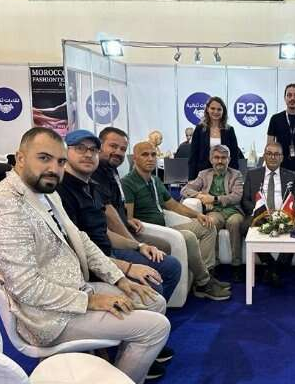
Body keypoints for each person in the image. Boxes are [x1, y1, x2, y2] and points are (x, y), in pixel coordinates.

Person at [0, 128, 170, 384]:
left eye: (60, 161)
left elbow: (81, 239)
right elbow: (26, 287)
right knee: (156, 328)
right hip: (46, 317)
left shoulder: (47, 192)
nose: (54, 168)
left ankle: (114, 376)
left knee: (154, 301)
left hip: (73, 288)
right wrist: (91, 300)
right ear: (20, 158)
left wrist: (119, 278)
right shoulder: (6, 208)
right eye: (44, 158)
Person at [56, 129, 182, 305]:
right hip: (90, 266)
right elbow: (78, 251)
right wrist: (127, 267)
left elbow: (104, 232)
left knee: (172, 267)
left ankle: (154, 313)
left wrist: (139, 246)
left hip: (108, 252)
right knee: (154, 289)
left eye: (93, 150)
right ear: (64, 153)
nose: (88, 154)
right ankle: (150, 313)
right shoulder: (60, 192)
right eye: (80, 148)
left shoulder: (91, 186)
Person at [123, 141, 230, 301]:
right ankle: (203, 283)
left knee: (207, 226)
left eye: (153, 154)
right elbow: (129, 219)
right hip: (148, 232)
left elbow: (172, 205)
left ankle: (207, 276)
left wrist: (197, 215)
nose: (150, 158)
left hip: (165, 227)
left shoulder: (155, 180)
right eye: (145, 155)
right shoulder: (128, 183)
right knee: (188, 237)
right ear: (135, 158)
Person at [93, 127, 172, 257]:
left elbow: (172, 204)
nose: (118, 152)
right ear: (99, 146)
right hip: (109, 241)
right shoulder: (98, 173)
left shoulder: (112, 170)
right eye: (113, 146)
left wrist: (127, 220)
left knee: (166, 246)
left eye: (123, 149)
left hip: (127, 229)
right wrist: (136, 245)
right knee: (171, 263)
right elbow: (108, 213)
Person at [241, 141, 295, 287]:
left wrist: (283, 213)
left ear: (282, 157)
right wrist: (261, 212)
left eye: (276, 154)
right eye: (269, 154)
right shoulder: (252, 174)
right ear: (264, 156)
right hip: (260, 216)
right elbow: (245, 200)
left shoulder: (291, 175)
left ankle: (275, 269)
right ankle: (270, 264)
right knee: (244, 226)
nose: (273, 157)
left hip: (283, 216)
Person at [181, 144, 245, 281]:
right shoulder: (203, 174)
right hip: (214, 212)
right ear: (211, 159)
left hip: (233, 210)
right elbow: (185, 190)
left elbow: (236, 196)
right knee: (211, 222)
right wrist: (201, 196)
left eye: (223, 158)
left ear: (229, 159)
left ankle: (237, 265)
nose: (220, 161)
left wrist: (214, 199)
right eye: (216, 157)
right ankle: (213, 265)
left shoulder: (236, 174)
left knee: (235, 223)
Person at [188, 97, 239, 179]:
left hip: (224, 175)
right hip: (203, 175)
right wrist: (191, 179)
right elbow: (193, 157)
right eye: (213, 108)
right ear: (207, 109)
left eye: (219, 109)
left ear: (223, 111)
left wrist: (234, 178)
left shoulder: (229, 130)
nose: (216, 112)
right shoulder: (199, 129)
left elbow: (234, 157)